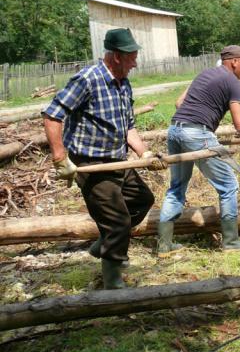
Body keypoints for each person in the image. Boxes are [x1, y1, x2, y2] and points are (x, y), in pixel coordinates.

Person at [42, 28, 164, 289]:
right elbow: (52, 115)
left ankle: (105, 243)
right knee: (117, 221)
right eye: (132, 57)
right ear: (117, 56)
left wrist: (144, 153)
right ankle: (112, 280)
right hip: (92, 163)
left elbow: (128, 126)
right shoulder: (88, 79)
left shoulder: (123, 82)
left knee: (143, 200)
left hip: (118, 159)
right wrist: (60, 158)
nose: (135, 62)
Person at [157, 45, 240, 256]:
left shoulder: (205, 74)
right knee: (228, 185)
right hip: (198, 134)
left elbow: (179, 102)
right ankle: (231, 242)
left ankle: (163, 245)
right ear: (234, 61)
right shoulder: (232, 82)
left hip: (175, 130)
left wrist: (208, 107)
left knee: (177, 187)